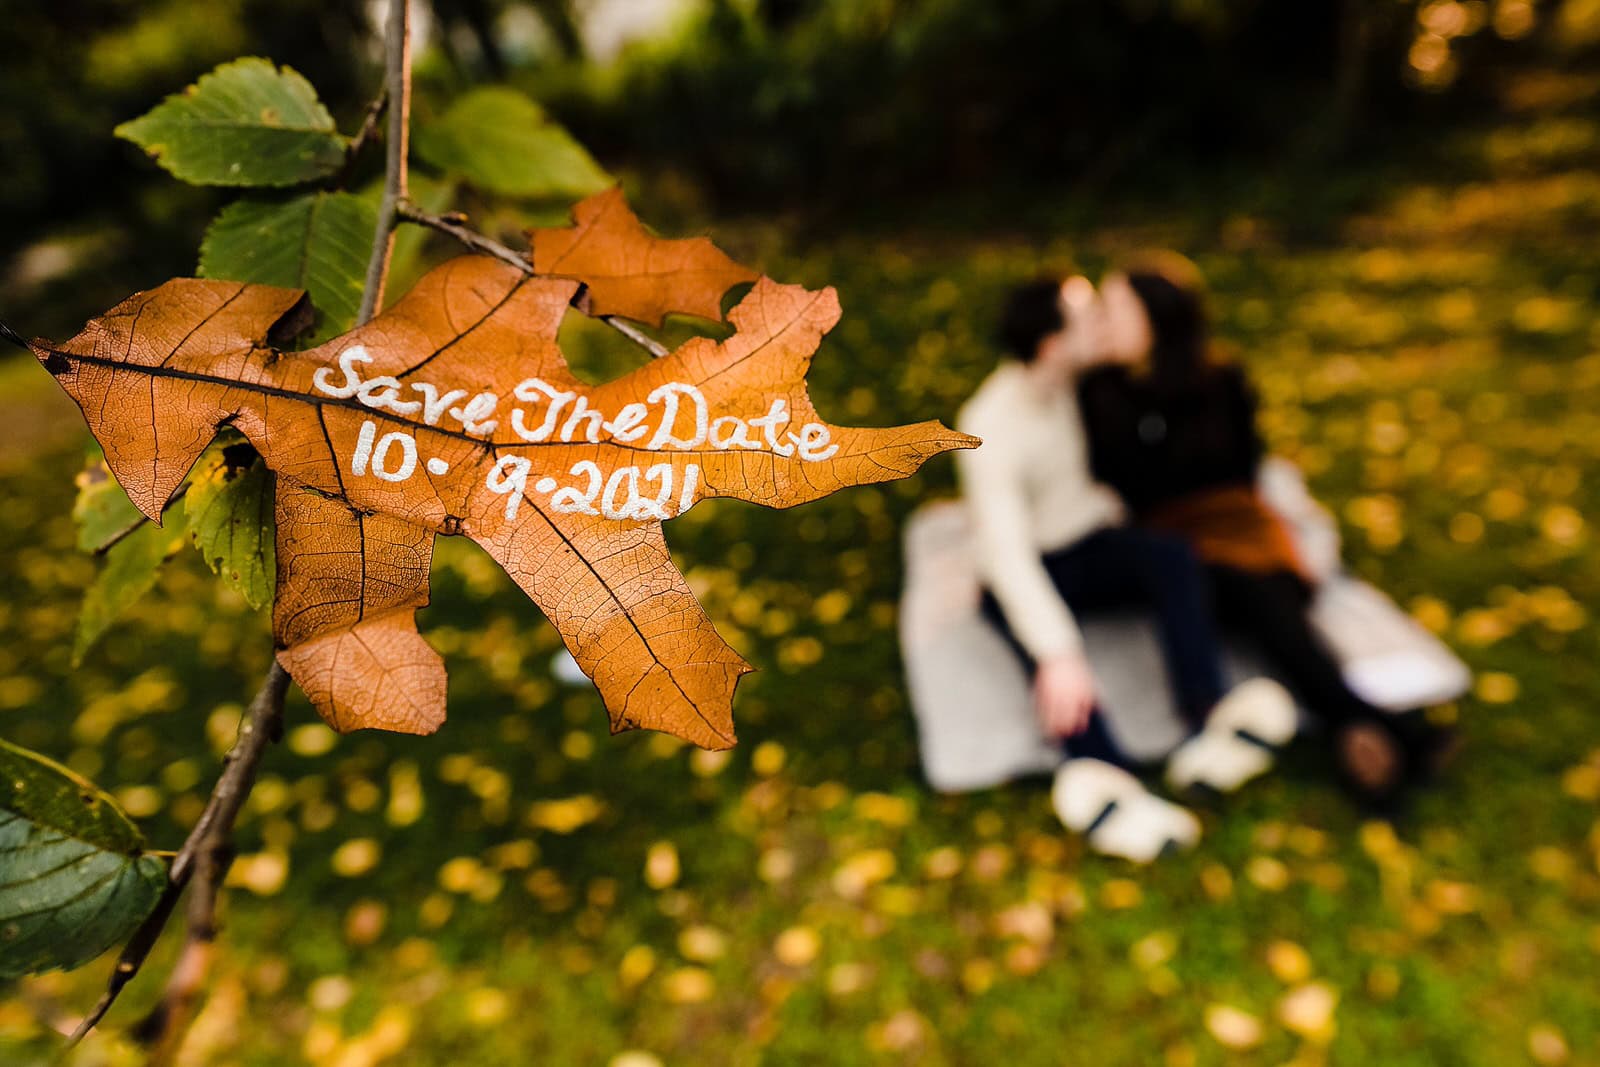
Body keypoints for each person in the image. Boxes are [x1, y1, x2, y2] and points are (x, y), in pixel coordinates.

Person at [1076, 254, 1452, 806]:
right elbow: (1126, 484)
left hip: (1235, 521)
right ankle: (1376, 728)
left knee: (1267, 595)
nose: (1103, 322)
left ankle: (1358, 726)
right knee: (1248, 595)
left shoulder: (1218, 378)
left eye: (1114, 309)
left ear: (1154, 318)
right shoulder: (1098, 390)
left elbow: (1238, 467)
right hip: (1170, 539)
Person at [955, 276, 1296, 863]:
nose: (1103, 326)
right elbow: (1009, 557)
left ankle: (1208, 713)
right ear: (1052, 346)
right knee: (1058, 669)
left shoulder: (1073, 383)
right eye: (1089, 318)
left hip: (1085, 540)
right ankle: (1102, 772)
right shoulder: (989, 426)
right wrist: (1058, 652)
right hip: (1026, 567)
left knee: (1172, 559)